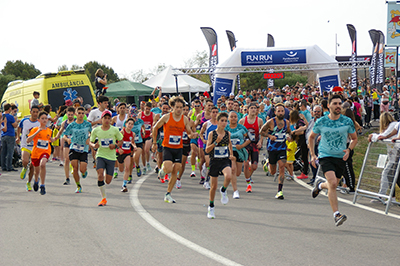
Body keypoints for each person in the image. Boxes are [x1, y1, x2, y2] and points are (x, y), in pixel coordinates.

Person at [309, 94, 358, 226]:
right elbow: (311, 137)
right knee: (332, 183)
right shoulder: (322, 121)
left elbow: (354, 138)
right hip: (325, 155)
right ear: (329, 105)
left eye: (339, 103)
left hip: (340, 157)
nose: (338, 106)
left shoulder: (347, 121)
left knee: (333, 184)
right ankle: (336, 214)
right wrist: (313, 155)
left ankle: (320, 185)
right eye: (335, 103)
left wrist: (349, 149)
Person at [151, 96, 197, 204]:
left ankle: (168, 194)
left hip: (178, 148)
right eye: (177, 107)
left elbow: (189, 132)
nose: (179, 110)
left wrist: (192, 135)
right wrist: (154, 143)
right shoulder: (167, 117)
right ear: (172, 107)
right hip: (167, 146)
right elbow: (155, 128)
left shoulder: (185, 119)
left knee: (176, 168)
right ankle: (162, 170)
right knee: (167, 168)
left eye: (181, 107)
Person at [90, 110, 123, 206]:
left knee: (108, 181)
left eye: (109, 118)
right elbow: (91, 142)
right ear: (101, 119)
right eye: (105, 118)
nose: (107, 120)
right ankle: (103, 198)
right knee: (100, 175)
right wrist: (94, 145)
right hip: (100, 155)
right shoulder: (96, 130)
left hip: (111, 157)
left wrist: (115, 146)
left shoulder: (114, 130)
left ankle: (105, 181)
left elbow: (121, 140)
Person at [205, 112, 234, 219]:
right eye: (222, 120)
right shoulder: (212, 134)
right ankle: (211, 207)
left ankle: (223, 190)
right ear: (217, 122)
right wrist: (216, 142)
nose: (224, 123)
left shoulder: (228, 134)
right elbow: (207, 150)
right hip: (214, 160)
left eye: (226, 121)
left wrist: (231, 154)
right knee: (213, 187)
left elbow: (229, 144)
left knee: (229, 176)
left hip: (224, 160)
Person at [260, 103, 291, 199]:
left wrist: (289, 136)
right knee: (273, 171)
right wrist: (270, 136)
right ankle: (267, 163)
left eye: (282, 111)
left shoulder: (287, 122)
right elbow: (261, 131)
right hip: (272, 148)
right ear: (275, 112)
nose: (281, 113)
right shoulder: (270, 122)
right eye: (279, 111)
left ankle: (280, 191)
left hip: (282, 148)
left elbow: (289, 131)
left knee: (282, 167)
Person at [26, 111, 57, 195]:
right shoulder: (35, 129)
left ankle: (42, 185)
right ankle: (36, 181)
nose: (44, 120)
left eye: (46, 118)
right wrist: (37, 132)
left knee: (42, 164)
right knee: (36, 171)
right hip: (36, 152)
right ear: (39, 120)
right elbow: (28, 140)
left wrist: (54, 139)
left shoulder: (49, 130)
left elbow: (50, 139)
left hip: (45, 151)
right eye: (42, 118)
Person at [62, 106, 92, 193]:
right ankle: (78, 186)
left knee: (82, 169)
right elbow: (64, 135)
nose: (81, 115)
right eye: (79, 113)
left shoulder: (87, 124)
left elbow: (91, 133)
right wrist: (67, 139)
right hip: (74, 148)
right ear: (76, 114)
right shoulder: (71, 125)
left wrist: (89, 138)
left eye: (83, 113)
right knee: (75, 168)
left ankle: (84, 172)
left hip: (84, 149)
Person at [239, 102, 263, 193]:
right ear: (248, 110)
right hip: (245, 144)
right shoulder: (242, 121)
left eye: (255, 108)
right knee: (245, 164)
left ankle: (249, 175)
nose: (253, 109)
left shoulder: (259, 121)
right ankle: (248, 184)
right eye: (251, 108)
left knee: (254, 166)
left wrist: (261, 141)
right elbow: (238, 132)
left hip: (254, 145)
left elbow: (263, 132)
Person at [226, 111, 250, 199]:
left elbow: (249, 138)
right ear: (228, 118)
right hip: (229, 152)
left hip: (239, 151)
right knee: (232, 170)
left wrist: (242, 146)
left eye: (235, 117)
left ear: (238, 118)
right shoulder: (226, 128)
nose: (233, 118)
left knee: (238, 173)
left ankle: (230, 182)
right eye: (231, 117)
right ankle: (235, 191)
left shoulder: (241, 128)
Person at [17, 106, 40, 190]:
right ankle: (24, 167)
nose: (35, 114)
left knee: (32, 166)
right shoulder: (24, 121)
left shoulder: (39, 123)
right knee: (25, 160)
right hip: (25, 145)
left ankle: (29, 182)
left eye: (36, 112)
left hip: (35, 147)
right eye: (33, 112)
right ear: (30, 112)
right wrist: (18, 137)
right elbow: (19, 128)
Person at [176, 104, 195, 189]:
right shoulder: (176, 120)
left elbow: (193, 133)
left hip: (186, 144)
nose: (185, 111)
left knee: (182, 163)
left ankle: (178, 179)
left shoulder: (191, 122)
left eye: (187, 110)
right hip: (176, 144)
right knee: (175, 162)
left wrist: (193, 134)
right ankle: (174, 175)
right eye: (184, 109)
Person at [88, 96, 109, 168]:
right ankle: (96, 161)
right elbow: (88, 124)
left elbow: (111, 122)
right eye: (105, 103)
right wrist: (97, 122)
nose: (106, 104)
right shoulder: (93, 112)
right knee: (95, 150)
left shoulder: (108, 112)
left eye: (107, 103)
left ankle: (101, 163)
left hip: (105, 134)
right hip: (95, 134)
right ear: (100, 103)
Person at [117, 117, 137, 192]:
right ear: (126, 124)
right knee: (121, 169)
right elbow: (116, 142)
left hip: (127, 153)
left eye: (132, 124)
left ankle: (124, 185)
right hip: (120, 153)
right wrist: (119, 148)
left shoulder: (133, 134)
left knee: (127, 168)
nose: (130, 125)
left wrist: (134, 147)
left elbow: (132, 142)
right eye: (129, 124)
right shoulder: (122, 132)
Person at [1, 103, 18, 172]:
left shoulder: (1, 116)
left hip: (3, 135)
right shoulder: (10, 117)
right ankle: (9, 167)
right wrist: (15, 120)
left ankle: (3, 166)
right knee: (10, 152)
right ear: (10, 108)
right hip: (10, 135)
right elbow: (15, 125)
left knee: (3, 152)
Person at [139, 102, 155, 174]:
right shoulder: (140, 115)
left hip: (149, 135)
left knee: (146, 150)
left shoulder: (152, 115)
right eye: (146, 109)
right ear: (144, 107)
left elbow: (154, 125)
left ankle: (148, 162)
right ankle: (144, 166)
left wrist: (152, 131)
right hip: (141, 135)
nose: (147, 110)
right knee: (142, 153)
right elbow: (138, 124)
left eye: (149, 109)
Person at [188, 99, 203, 178]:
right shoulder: (191, 113)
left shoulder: (202, 113)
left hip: (201, 136)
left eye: (198, 106)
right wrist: (196, 122)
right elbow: (191, 124)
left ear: (201, 106)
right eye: (195, 106)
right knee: (193, 151)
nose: (196, 107)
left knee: (200, 153)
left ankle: (199, 162)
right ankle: (193, 170)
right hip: (194, 134)